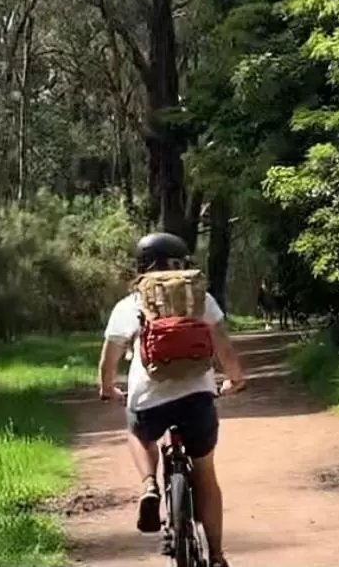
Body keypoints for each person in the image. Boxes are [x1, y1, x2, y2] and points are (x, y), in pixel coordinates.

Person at [98, 232, 246, 567]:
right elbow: (223, 348)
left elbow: (109, 360)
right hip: (197, 397)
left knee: (138, 434)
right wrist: (236, 380)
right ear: (183, 263)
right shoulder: (199, 299)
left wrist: (108, 388)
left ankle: (149, 485)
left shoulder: (130, 304)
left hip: (148, 398)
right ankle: (218, 556)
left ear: (140, 265)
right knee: (206, 473)